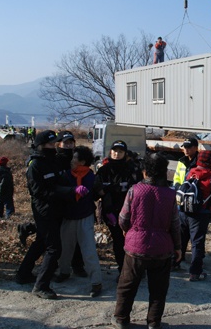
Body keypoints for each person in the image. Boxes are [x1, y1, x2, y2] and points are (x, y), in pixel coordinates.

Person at [112, 153, 181, 329]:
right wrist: (178, 246)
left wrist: (129, 231)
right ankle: (153, 322)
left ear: (145, 172)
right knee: (158, 289)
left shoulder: (134, 190)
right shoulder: (170, 194)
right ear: (164, 172)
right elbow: (175, 224)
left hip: (136, 246)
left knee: (127, 284)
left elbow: (123, 218)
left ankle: (121, 318)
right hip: (162, 248)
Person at [16, 130, 75, 299]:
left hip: (55, 208)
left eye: (54, 144)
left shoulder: (52, 161)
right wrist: (66, 192)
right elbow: (39, 192)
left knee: (41, 242)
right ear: (41, 146)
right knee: (54, 248)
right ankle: (41, 286)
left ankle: (23, 274)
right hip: (45, 210)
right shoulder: (35, 165)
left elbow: (58, 181)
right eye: (50, 144)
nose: (54, 147)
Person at [56, 146, 103, 298]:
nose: (72, 161)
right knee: (65, 248)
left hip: (85, 217)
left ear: (82, 161)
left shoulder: (92, 177)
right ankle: (64, 272)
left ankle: (96, 282)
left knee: (89, 250)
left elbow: (97, 195)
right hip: (68, 217)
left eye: (74, 158)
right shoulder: (65, 176)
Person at [94, 140, 142, 278]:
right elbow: (97, 191)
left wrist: (109, 189)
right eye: (114, 151)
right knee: (118, 241)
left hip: (130, 212)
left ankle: (135, 269)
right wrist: (112, 189)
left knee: (132, 241)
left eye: (120, 151)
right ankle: (123, 271)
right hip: (111, 212)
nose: (116, 154)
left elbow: (137, 189)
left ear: (125, 154)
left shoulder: (132, 170)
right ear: (110, 152)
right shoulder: (104, 170)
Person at [178, 150, 211, 281]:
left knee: (181, 238)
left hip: (183, 211)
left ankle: (175, 263)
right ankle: (195, 272)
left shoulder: (190, 172)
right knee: (197, 243)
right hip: (200, 213)